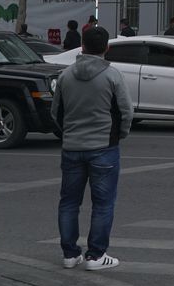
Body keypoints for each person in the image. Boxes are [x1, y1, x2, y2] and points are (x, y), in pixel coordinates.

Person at [53, 26, 132, 272]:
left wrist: (67, 134)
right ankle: (96, 255)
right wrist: (119, 135)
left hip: (72, 147)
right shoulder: (113, 76)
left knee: (68, 202)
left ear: (82, 46)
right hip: (103, 147)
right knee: (103, 204)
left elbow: (56, 113)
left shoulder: (65, 75)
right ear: (106, 48)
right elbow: (126, 112)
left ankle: (69, 254)